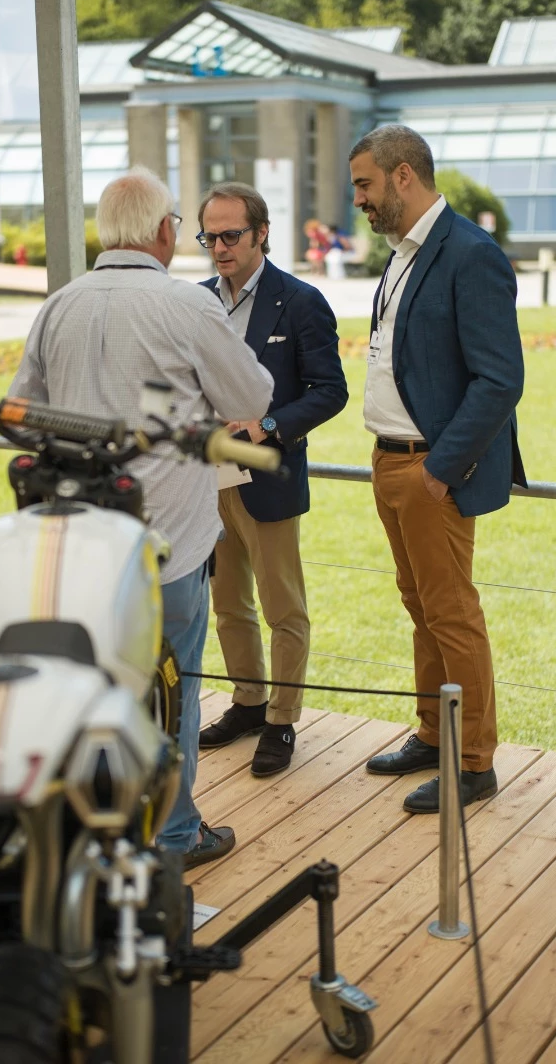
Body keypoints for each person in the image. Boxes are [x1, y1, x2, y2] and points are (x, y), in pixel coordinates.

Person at [9, 167, 274, 868]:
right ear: (163, 231)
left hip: (76, 545)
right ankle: (173, 837)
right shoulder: (188, 306)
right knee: (170, 701)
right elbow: (252, 395)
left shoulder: (60, 304)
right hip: (168, 545)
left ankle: (98, 830)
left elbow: (20, 416)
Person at [349, 124, 526, 813]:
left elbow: (500, 379)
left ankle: (474, 763)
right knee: (420, 607)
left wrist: (441, 470)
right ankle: (432, 733)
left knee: (452, 615)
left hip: (431, 471)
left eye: (364, 184)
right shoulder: (401, 252)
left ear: (403, 175)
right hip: (390, 462)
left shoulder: (471, 254)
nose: (358, 199)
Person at [196, 182, 348, 777]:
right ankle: (249, 703)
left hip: (269, 476)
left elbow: (329, 391)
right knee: (228, 605)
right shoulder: (197, 301)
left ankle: (282, 720)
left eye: (231, 235)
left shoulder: (301, 301)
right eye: (210, 237)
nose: (219, 247)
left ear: (262, 233)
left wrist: (267, 426)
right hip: (207, 479)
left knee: (283, 609)